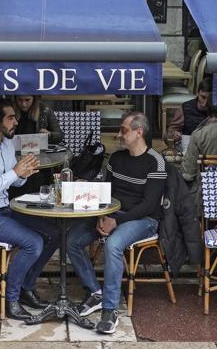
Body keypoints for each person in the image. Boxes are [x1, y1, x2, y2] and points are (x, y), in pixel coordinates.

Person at [67, 111, 166, 335]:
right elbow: (106, 193)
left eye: (123, 130)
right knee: (71, 240)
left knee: (113, 244)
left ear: (138, 132)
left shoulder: (155, 161)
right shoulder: (116, 158)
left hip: (144, 220)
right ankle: (96, 292)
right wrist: (102, 216)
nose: (119, 134)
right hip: (112, 215)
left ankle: (110, 309)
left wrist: (115, 220)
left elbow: (149, 205)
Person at [0, 98, 59, 321]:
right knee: (33, 242)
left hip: (4, 209)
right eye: (11, 117)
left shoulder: (7, 144)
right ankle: (11, 299)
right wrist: (14, 173)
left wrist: (23, 175)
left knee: (54, 234)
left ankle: (26, 286)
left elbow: (12, 181)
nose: (16, 121)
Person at [169, 77, 217, 146]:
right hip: (189, 147)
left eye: (209, 99)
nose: (205, 103)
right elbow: (169, 133)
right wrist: (174, 134)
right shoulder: (185, 108)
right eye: (203, 97)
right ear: (197, 93)